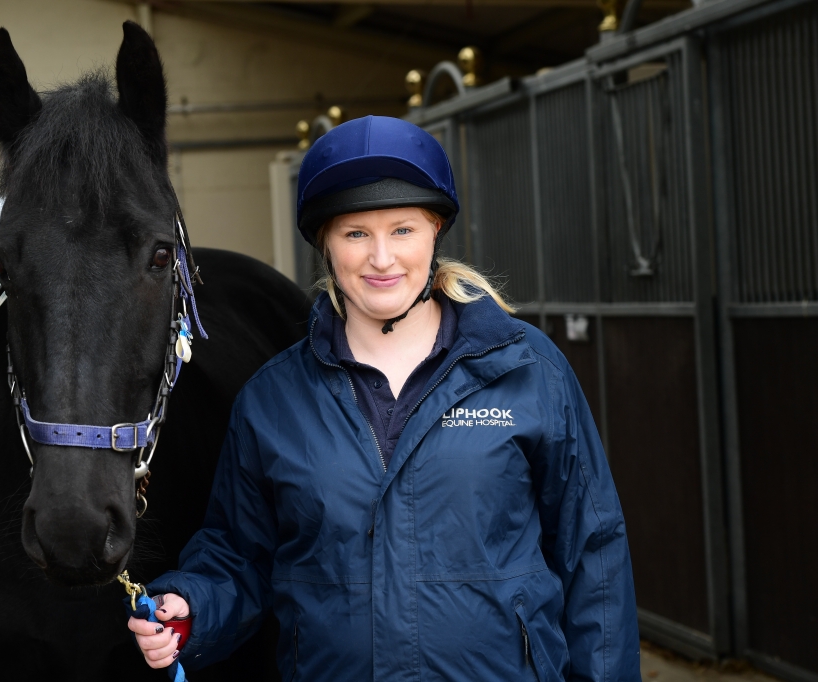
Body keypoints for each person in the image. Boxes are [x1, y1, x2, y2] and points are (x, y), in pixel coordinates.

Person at [130, 116, 641, 680]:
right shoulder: (272, 400)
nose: (381, 258)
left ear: (435, 232)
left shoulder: (527, 370)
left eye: (402, 230)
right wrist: (193, 606)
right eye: (356, 233)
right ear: (325, 242)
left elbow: (593, 553)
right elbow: (240, 553)